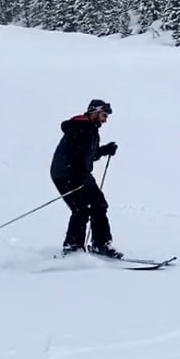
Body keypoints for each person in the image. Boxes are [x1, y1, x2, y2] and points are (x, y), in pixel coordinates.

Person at [49, 99, 121, 258]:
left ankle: (99, 244)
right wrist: (80, 174)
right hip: (67, 174)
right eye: (103, 115)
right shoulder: (80, 128)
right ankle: (74, 248)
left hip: (77, 174)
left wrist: (104, 150)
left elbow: (88, 155)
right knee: (82, 209)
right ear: (94, 112)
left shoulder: (89, 130)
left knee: (98, 205)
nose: (105, 120)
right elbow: (75, 154)